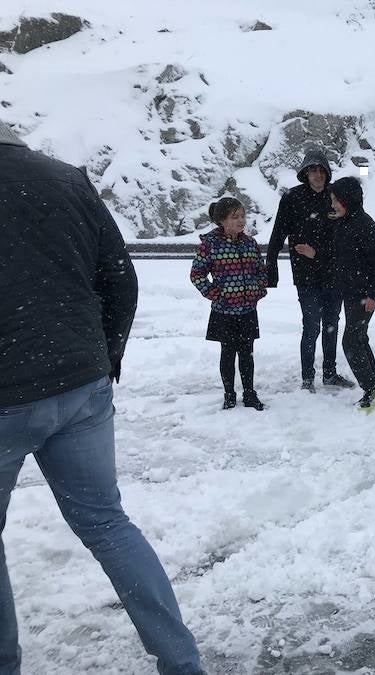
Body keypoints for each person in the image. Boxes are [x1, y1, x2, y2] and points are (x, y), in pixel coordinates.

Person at [0, 120, 203, 674]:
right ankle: (182, 663)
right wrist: (104, 355)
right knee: (108, 524)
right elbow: (120, 276)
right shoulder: (67, 179)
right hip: (80, 384)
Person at [266, 148, 354, 394]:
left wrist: (323, 254)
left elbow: (345, 236)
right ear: (305, 173)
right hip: (305, 275)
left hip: (333, 273)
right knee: (312, 325)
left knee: (332, 324)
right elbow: (278, 234)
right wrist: (270, 265)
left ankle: (329, 373)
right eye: (312, 170)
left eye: (320, 170)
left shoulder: (335, 197)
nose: (317, 175)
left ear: (327, 172)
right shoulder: (292, 197)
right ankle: (307, 378)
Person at [190, 197, 267, 410]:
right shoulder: (210, 244)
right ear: (222, 220)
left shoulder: (250, 243)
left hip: (248, 309)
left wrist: (259, 289)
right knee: (228, 353)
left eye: (242, 215)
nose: (241, 220)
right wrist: (215, 294)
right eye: (235, 217)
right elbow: (197, 274)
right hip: (224, 311)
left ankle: (250, 394)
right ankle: (229, 394)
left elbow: (261, 271)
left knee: (247, 354)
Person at [330, 177, 375, 410]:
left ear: (348, 200)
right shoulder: (345, 222)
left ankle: (373, 391)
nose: (333, 205)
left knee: (351, 342)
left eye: (336, 200)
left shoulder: (367, 227)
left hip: (364, 295)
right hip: (351, 293)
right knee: (359, 339)